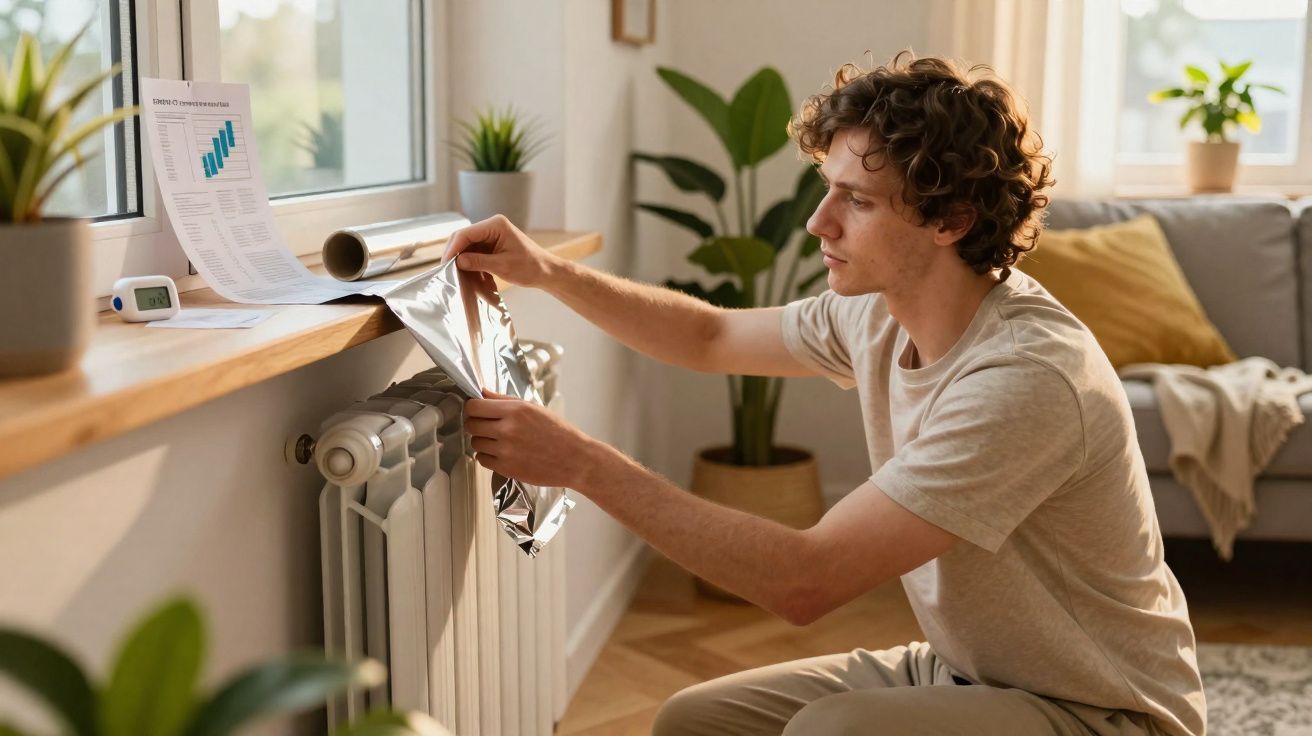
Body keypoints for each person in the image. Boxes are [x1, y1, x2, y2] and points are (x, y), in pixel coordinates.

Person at [443, 52, 1206, 736]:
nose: (818, 222)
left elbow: (803, 580)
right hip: (970, 673)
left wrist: (583, 464)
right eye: (827, 190)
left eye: (857, 201)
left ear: (952, 220)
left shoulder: (1026, 379)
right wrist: (548, 271)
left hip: (1104, 711)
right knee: (695, 722)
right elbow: (710, 337)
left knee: (832, 732)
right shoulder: (880, 310)